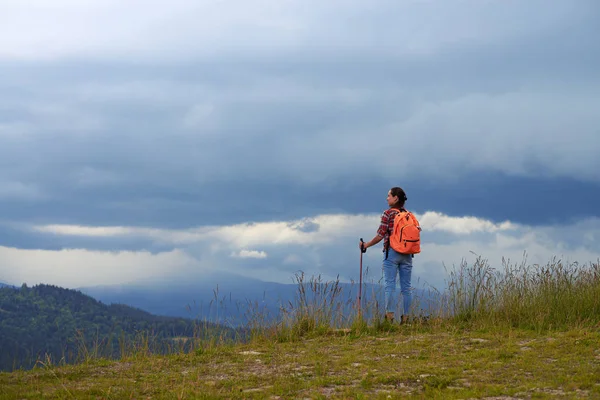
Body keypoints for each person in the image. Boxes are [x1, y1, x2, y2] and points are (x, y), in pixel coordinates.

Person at [359, 187, 413, 324]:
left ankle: (389, 318)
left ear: (396, 198)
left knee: (390, 286)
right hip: (407, 253)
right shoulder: (408, 215)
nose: (387, 198)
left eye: (389, 195)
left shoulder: (388, 214)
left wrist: (366, 245)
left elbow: (380, 235)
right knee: (406, 288)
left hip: (392, 252)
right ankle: (406, 319)